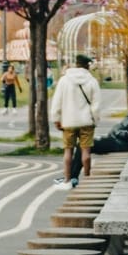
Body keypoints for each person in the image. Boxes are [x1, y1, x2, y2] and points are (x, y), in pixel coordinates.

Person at [50, 54, 102, 184]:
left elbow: (57, 101)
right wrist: (95, 120)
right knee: (86, 151)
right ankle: (87, 178)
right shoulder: (92, 81)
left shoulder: (64, 80)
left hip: (69, 121)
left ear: (76, 64)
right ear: (87, 66)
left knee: (68, 150)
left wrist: (56, 118)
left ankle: (67, 179)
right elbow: (96, 105)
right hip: (86, 121)